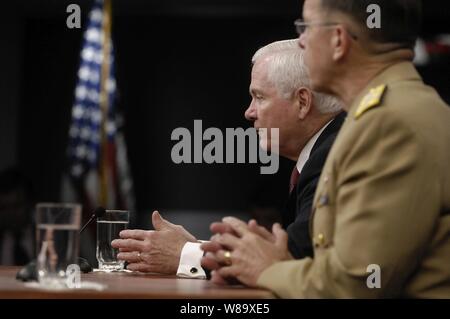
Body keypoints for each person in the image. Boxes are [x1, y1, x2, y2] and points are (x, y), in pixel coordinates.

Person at [201, 0, 450, 298]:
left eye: (305, 27)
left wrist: (268, 268)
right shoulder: (390, 111)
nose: (301, 41)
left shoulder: (389, 124)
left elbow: (355, 286)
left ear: (338, 40)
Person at [111, 39, 343, 278]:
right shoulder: (323, 150)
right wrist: (204, 250)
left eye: (259, 97)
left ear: (302, 102)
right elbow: (282, 254)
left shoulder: (332, 155)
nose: (249, 112)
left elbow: (293, 257)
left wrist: (186, 254)